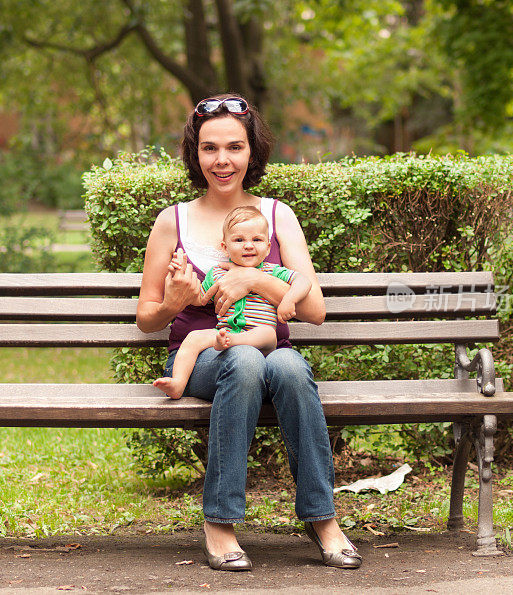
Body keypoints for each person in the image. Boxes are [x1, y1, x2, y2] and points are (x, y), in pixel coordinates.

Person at [136, 94, 361, 571]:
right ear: (194, 153)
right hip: (204, 356)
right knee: (241, 361)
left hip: (269, 347)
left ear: (251, 152)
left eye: (234, 147)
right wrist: (174, 304)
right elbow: (147, 317)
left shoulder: (277, 216)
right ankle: (219, 521)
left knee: (287, 366)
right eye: (210, 148)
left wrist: (254, 279)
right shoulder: (171, 220)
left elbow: (315, 310)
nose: (222, 160)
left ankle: (322, 518)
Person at [152, 205, 311, 400]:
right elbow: (200, 299)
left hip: (261, 339)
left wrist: (289, 300)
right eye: (239, 240)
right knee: (193, 338)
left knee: (269, 332)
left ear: (268, 247)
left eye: (257, 239)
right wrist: (180, 281)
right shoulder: (218, 273)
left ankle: (231, 343)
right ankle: (178, 383)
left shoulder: (273, 271)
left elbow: (303, 281)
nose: (249, 245)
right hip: (225, 333)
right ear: (225, 247)